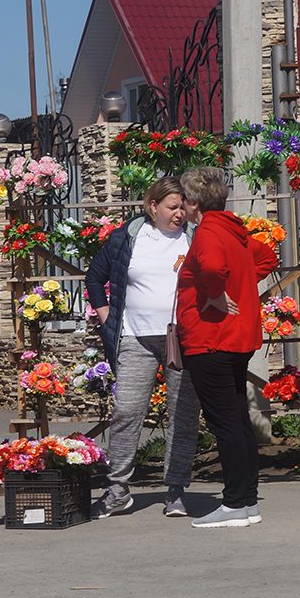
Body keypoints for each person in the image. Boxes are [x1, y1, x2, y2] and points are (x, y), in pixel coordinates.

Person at [85, 176, 201, 519]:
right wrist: (107, 318)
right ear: (153, 207)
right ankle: (117, 489)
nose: (179, 213)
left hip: (179, 338)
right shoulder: (128, 237)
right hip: (134, 338)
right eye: (172, 207)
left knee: (183, 414)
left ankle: (176, 491)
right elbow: (94, 276)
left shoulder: (194, 238)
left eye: (183, 207)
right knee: (126, 412)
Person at [176, 167, 278, 528]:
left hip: (211, 339)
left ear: (193, 203)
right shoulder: (232, 229)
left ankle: (235, 502)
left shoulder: (207, 231)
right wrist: (238, 284)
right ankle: (246, 500)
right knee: (236, 419)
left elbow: (212, 267)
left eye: (185, 201)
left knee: (226, 423)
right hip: (235, 337)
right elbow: (266, 257)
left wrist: (217, 295)